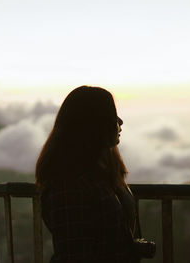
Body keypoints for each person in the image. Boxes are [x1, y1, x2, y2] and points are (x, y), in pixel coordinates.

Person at [36, 86, 155, 263]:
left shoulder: (97, 174)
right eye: (112, 115)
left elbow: (103, 239)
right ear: (95, 124)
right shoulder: (70, 185)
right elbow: (74, 254)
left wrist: (133, 247)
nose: (120, 121)